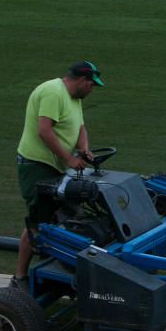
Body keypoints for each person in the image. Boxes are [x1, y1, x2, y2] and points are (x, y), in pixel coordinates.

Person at [11, 60, 104, 289]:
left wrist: (84, 148)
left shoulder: (74, 97)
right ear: (82, 80)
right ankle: (20, 278)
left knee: (62, 215)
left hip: (55, 167)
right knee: (38, 223)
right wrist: (69, 159)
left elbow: (80, 126)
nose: (93, 89)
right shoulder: (53, 92)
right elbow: (44, 131)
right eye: (92, 85)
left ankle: (52, 267)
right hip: (36, 165)